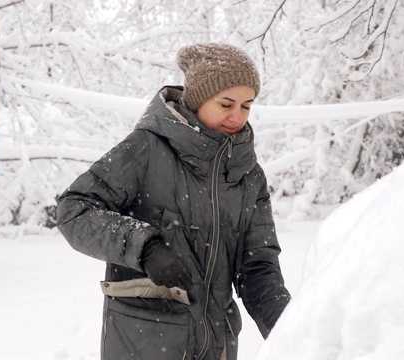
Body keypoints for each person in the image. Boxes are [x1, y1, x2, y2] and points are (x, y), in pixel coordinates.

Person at [56, 42, 291, 360]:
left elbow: (257, 267)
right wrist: (144, 246)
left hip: (216, 346)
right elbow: (74, 209)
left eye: (247, 105)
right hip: (145, 343)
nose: (237, 116)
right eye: (226, 104)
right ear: (197, 100)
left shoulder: (248, 175)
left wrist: (292, 330)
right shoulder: (147, 149)